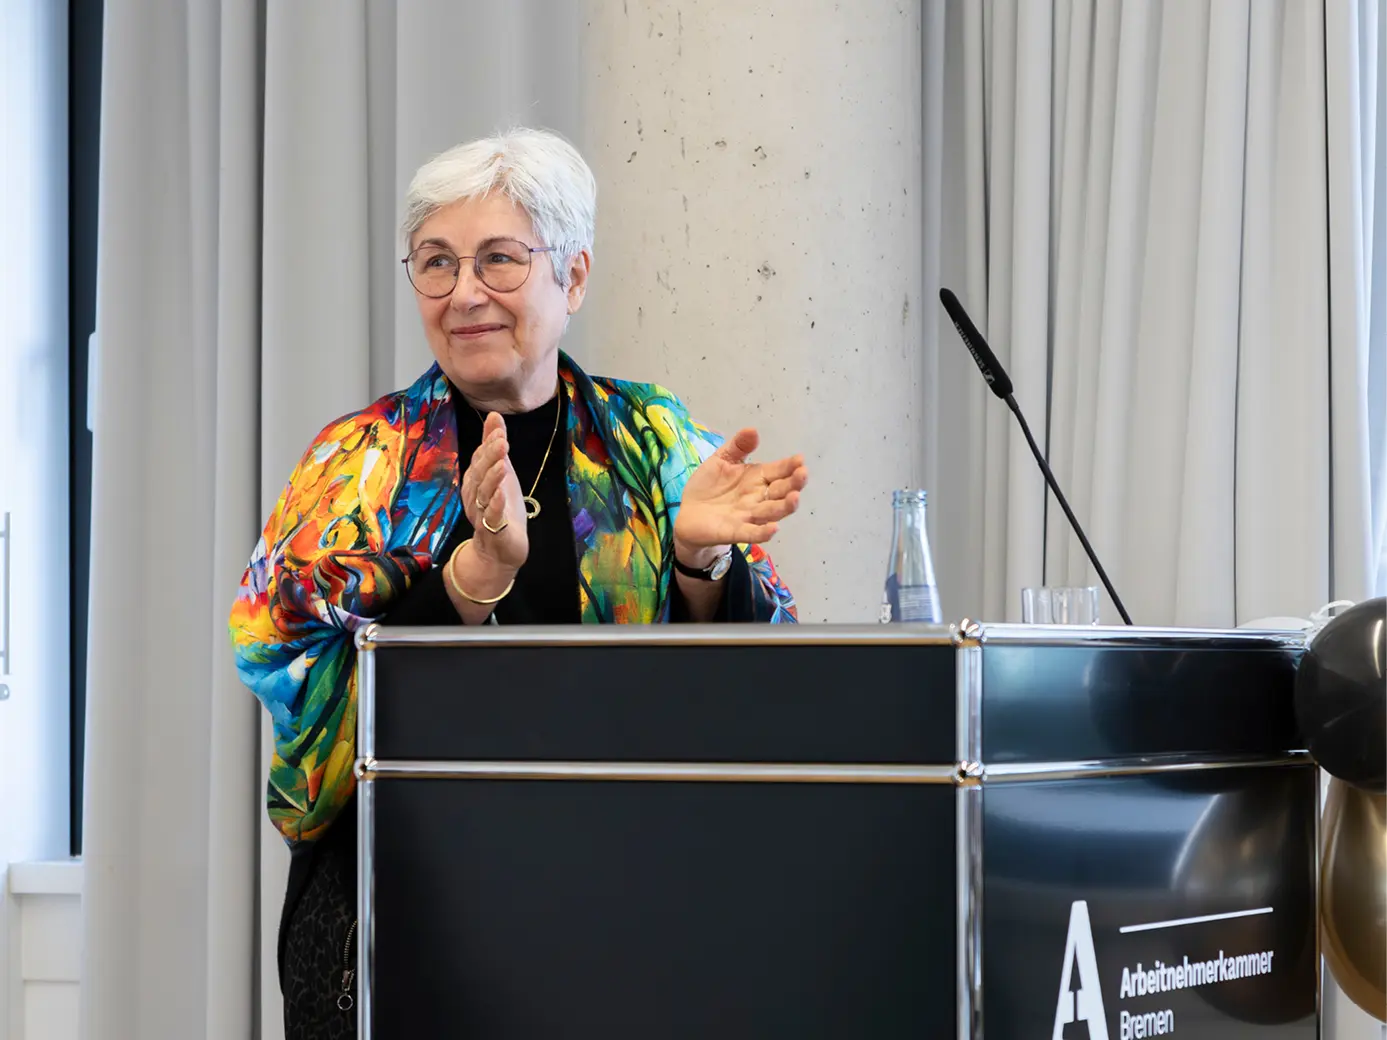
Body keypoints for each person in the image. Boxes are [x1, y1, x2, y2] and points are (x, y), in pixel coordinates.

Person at [229, 127, 809, 1038]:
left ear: (572, 277)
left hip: (625, 912)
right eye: (437, 262)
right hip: (404, 909)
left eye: (498, 259)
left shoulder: (648, 440)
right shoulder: (359, 462)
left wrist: (697, 563)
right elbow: (281, 661)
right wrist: (468, 580)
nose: (464, 293)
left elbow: (758, 687)